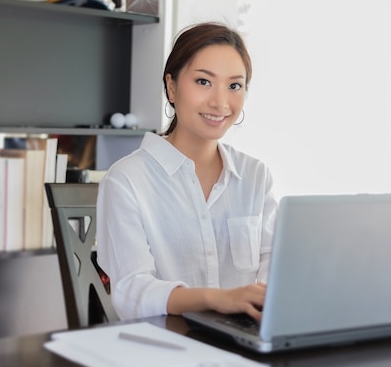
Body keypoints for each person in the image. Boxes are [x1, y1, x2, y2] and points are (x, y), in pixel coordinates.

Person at [96, 22, 277, 322]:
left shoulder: (256, 177)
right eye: (204, 82)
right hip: (165, 351)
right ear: (172, 85)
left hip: (244, 345)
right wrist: (217, 299)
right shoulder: (127, 180)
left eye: (234, 85)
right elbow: (132, 291)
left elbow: (275, 274)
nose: (220, 102)